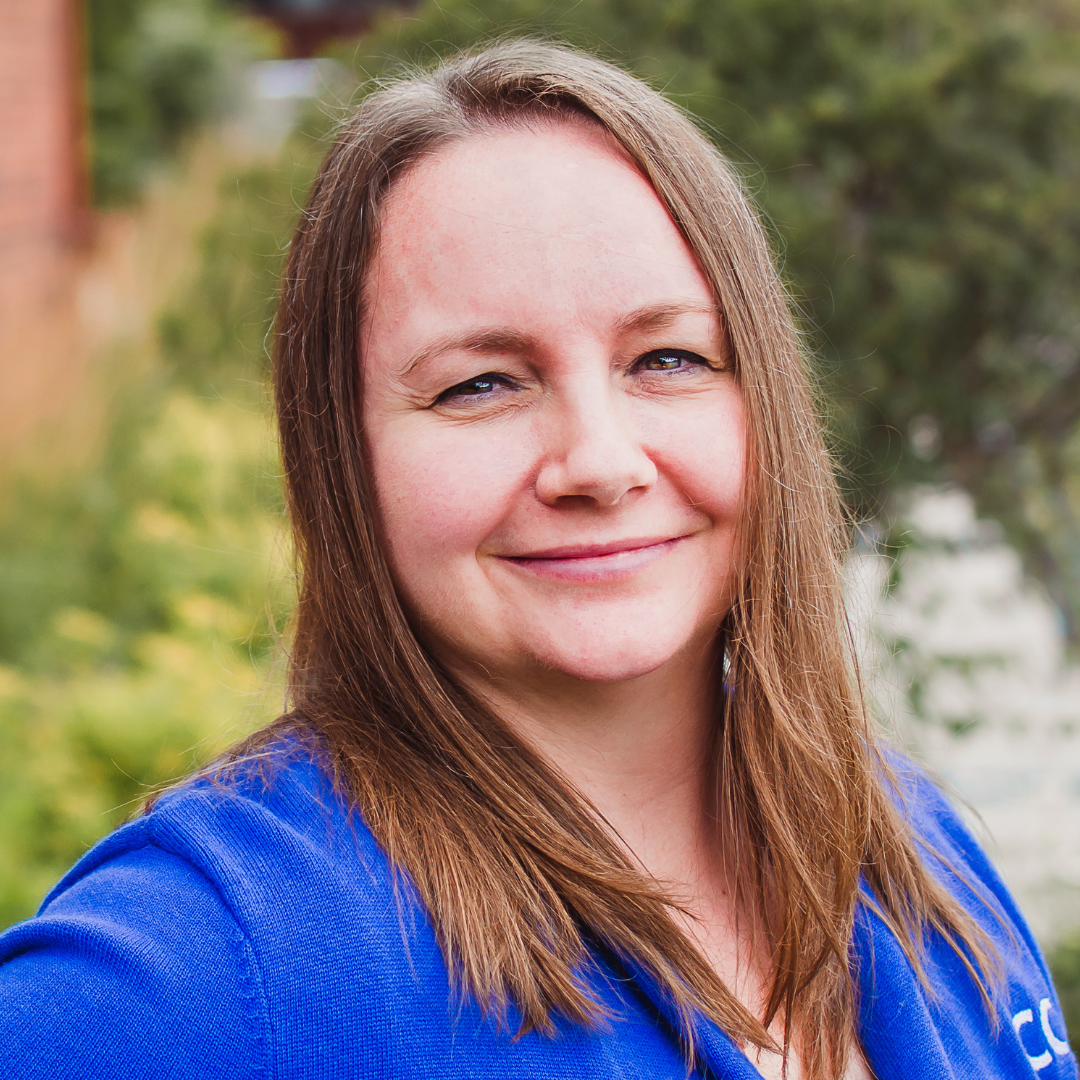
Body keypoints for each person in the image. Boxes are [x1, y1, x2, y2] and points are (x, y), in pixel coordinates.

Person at [0, 40, 1074, 1080]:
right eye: (481, 384)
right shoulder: (223, 956)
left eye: (668, 359)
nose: (600, 463)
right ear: (339, 455)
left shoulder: (908, 844)